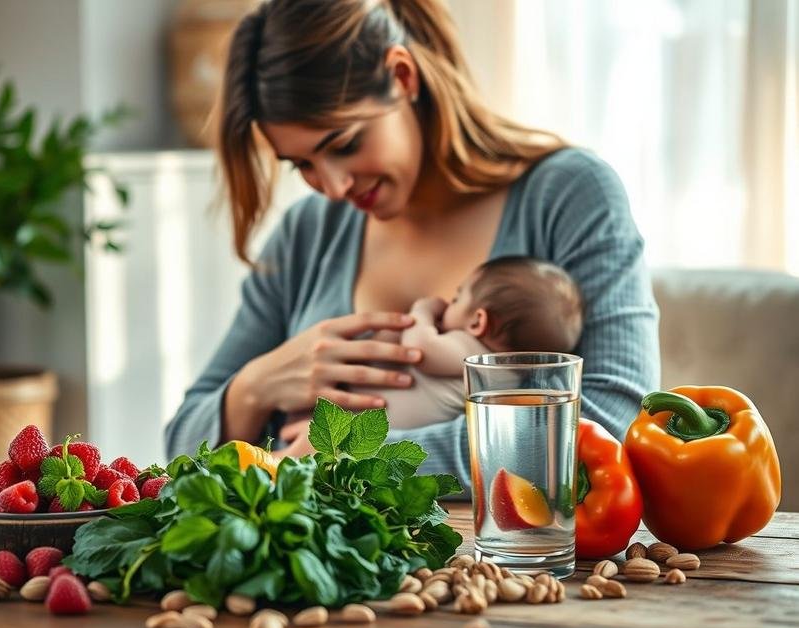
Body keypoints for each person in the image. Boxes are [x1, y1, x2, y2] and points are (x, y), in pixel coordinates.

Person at [164, 0, 660, 496]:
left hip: (503, 547)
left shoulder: (569, 195)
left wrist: (351, 464)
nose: (333, 187)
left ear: (403, 77)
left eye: (344, 144)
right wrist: (256, 386)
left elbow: (610, 419)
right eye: (302, 165)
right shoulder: (307, 233)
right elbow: (182, 444)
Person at [280, 256, 585, 437]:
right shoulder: (512, 381)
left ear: (478, 321)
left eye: (457, 298)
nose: (448, 304)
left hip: (368, 429)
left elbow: (420, 350)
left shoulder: (472, 353)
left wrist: (423, 310)